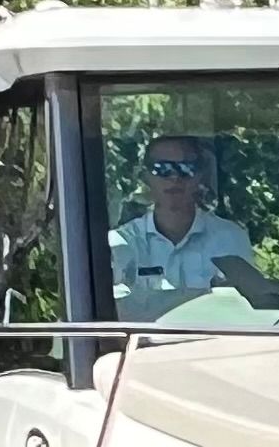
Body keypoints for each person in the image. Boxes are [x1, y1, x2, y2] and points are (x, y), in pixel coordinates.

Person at [107, 133, 261, 317]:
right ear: (145, 176)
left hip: (213, 343)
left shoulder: (230, 239)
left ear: (200, 176)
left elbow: (247, 310)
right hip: (141, 344)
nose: (174, 178)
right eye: (162, 168)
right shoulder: (122, 243)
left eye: (186, 168)